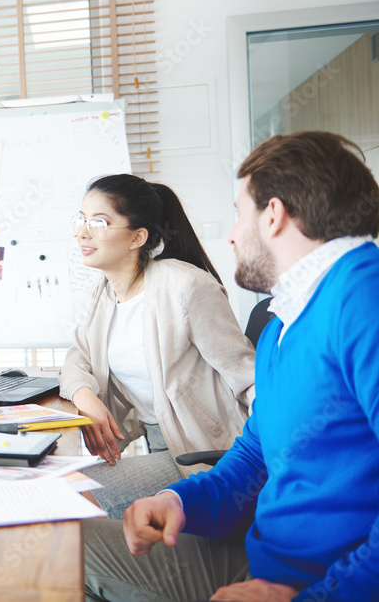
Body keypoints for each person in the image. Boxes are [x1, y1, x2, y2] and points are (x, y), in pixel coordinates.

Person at [83, 131, 379, 602]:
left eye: (240, 212)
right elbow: (254, 459)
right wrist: (179, 501)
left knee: (60, 550)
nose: (232, 234)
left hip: (325, 581)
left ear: (275, 214)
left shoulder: (363, 299)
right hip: (264, 555)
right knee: (62, 542)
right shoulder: (285, 322)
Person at [60, 174, 255, 519]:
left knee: (73, 497)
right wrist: (85, 398)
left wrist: (277, 458)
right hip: (158, 442)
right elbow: (77, 359)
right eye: (81, 219)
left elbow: (248, 377)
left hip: (206, 451)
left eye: (99, 222)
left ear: (138, 237)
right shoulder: (103, 293)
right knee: (65, 491)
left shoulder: (185, 287)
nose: (82, 232)